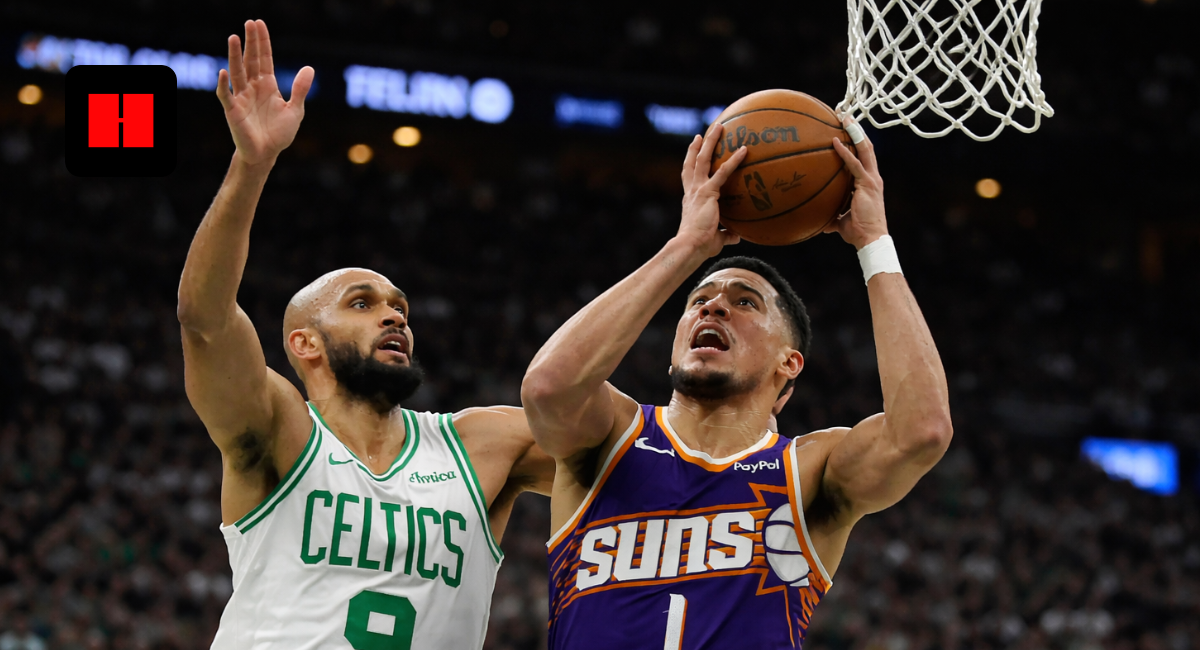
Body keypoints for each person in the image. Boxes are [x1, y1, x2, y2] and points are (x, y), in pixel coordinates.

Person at [178, 20, 551, 649]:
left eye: (400, 306)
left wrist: (684, 252)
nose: (395, 315)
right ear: (305, 343)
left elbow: (627, 443)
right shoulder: (280, 429)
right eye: (363, 302)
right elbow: (205, 320)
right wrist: (252, 165)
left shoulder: (480, 446)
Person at [521, 121, 953, 648]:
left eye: (745, 301)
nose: (714, 305)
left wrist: (874, 243)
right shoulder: (611, 433)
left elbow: (922, 431)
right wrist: (687, 247)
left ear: (788, 363)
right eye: (698, 301)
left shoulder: (810, 471)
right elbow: (547, 388)